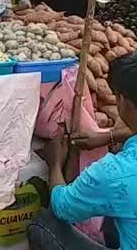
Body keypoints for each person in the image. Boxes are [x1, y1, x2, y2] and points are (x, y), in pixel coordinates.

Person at [28, 52, 137, 250]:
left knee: (44, 224)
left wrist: (55, 164)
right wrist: (108, 136)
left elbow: (62, 206)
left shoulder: (113, 174)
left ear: (124, 101)